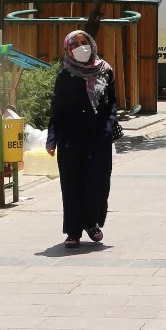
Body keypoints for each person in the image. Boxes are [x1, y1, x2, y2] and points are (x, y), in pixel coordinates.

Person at [46, 30, 118, 248]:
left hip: (98, 138)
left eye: (84, 42)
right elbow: (57, 109)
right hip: (71, 139)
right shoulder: (66, 74)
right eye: (75, 44)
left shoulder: (105, 71)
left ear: (92, 44)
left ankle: (92, 222)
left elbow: (112, 101)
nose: (81, 47)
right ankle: (73, 231)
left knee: (98, 183)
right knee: (72, 185)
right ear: (68, 48)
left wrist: (110, 122)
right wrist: (52, 138)